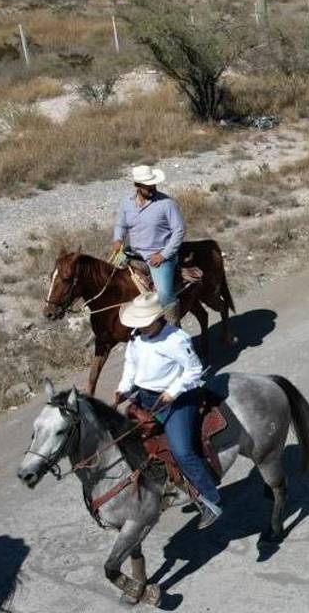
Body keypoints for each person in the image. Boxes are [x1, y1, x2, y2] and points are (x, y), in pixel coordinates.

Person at [115, 292, 222, 527]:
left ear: (157, 318)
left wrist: (173, 391)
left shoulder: (175, 339)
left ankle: (211, 499)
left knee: (181, 450)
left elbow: (194, 370)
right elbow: (130, 366)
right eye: (138, 324)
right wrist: (123, 388)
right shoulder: (136, 338)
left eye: (144, 324)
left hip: (178, 400)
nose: (140, 328)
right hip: (145, 397)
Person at [112, 165, 186, 319]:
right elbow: (121, 224)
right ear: (137, 186)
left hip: (158, 256)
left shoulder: (166, 203)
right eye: (147, 186)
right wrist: (118, 238)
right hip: (133, 252)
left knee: (164, 295)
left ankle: (174, 327)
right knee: (110, 277)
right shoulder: (126, 203)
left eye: (153, 184)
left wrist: (164, 255)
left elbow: (179, 230)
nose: (152, 188)